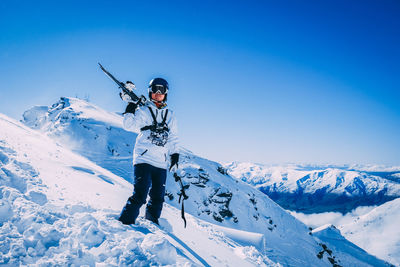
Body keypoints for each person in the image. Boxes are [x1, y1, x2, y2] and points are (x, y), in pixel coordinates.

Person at [118, 78, 179, 225]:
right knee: (140, 194)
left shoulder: (170, 115)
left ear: (166, 94)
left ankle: (152, 223)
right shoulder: (144, 111)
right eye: (155, 91)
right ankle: (125, 223)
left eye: (162, 91)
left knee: (158, 197)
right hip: (143, 159)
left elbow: (173, 137)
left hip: (161, 162)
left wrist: (175, 155)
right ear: (150, 92)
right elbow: (128, 125)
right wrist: (131, 105)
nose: (158, 94)